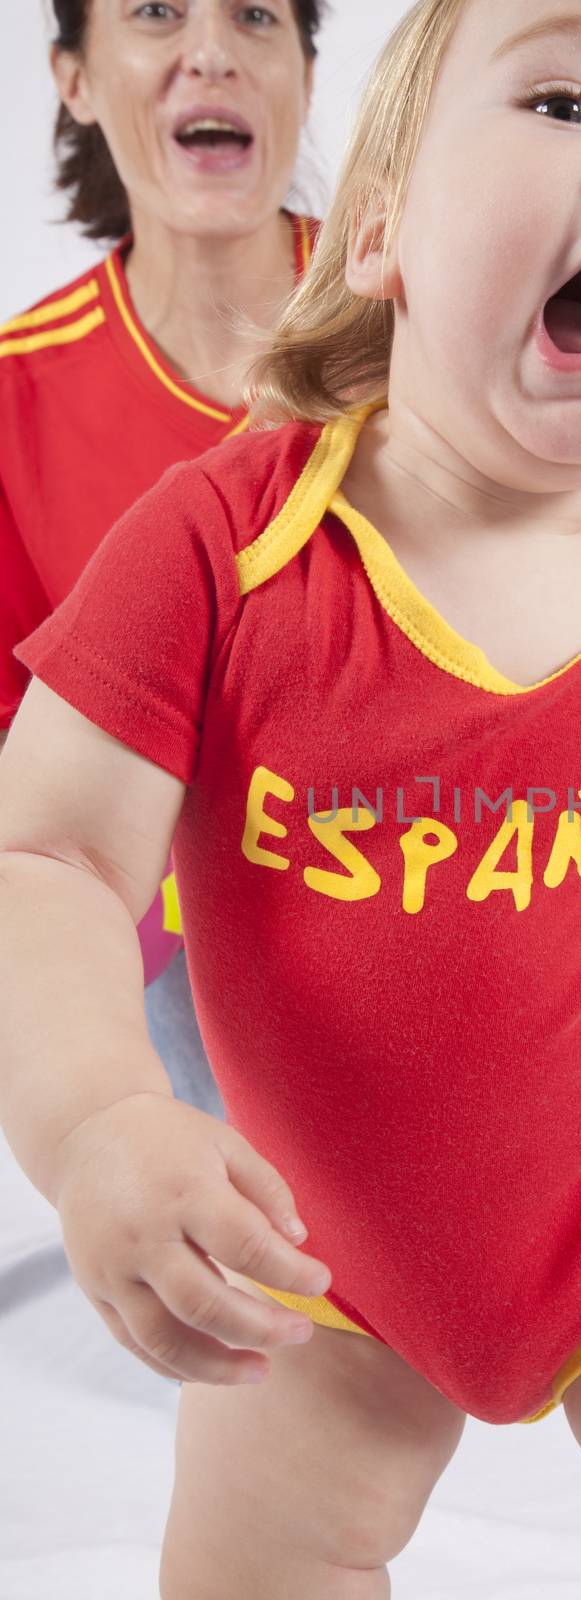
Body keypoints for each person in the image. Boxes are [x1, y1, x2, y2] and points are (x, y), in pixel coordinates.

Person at [0, 0, 581, 1596]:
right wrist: (96, 1121)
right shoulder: (224, 547)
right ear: (376, 235)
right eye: (566, 103)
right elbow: (51, 854)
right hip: (315, 1238)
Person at [0, 0, 325, 1117]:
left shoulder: (431, 316)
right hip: (203, 932)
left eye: (254, 15)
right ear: (76, 80)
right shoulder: (15, 397)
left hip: (474, 857)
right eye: (155, 11)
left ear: (304, 75)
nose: (211, 50)